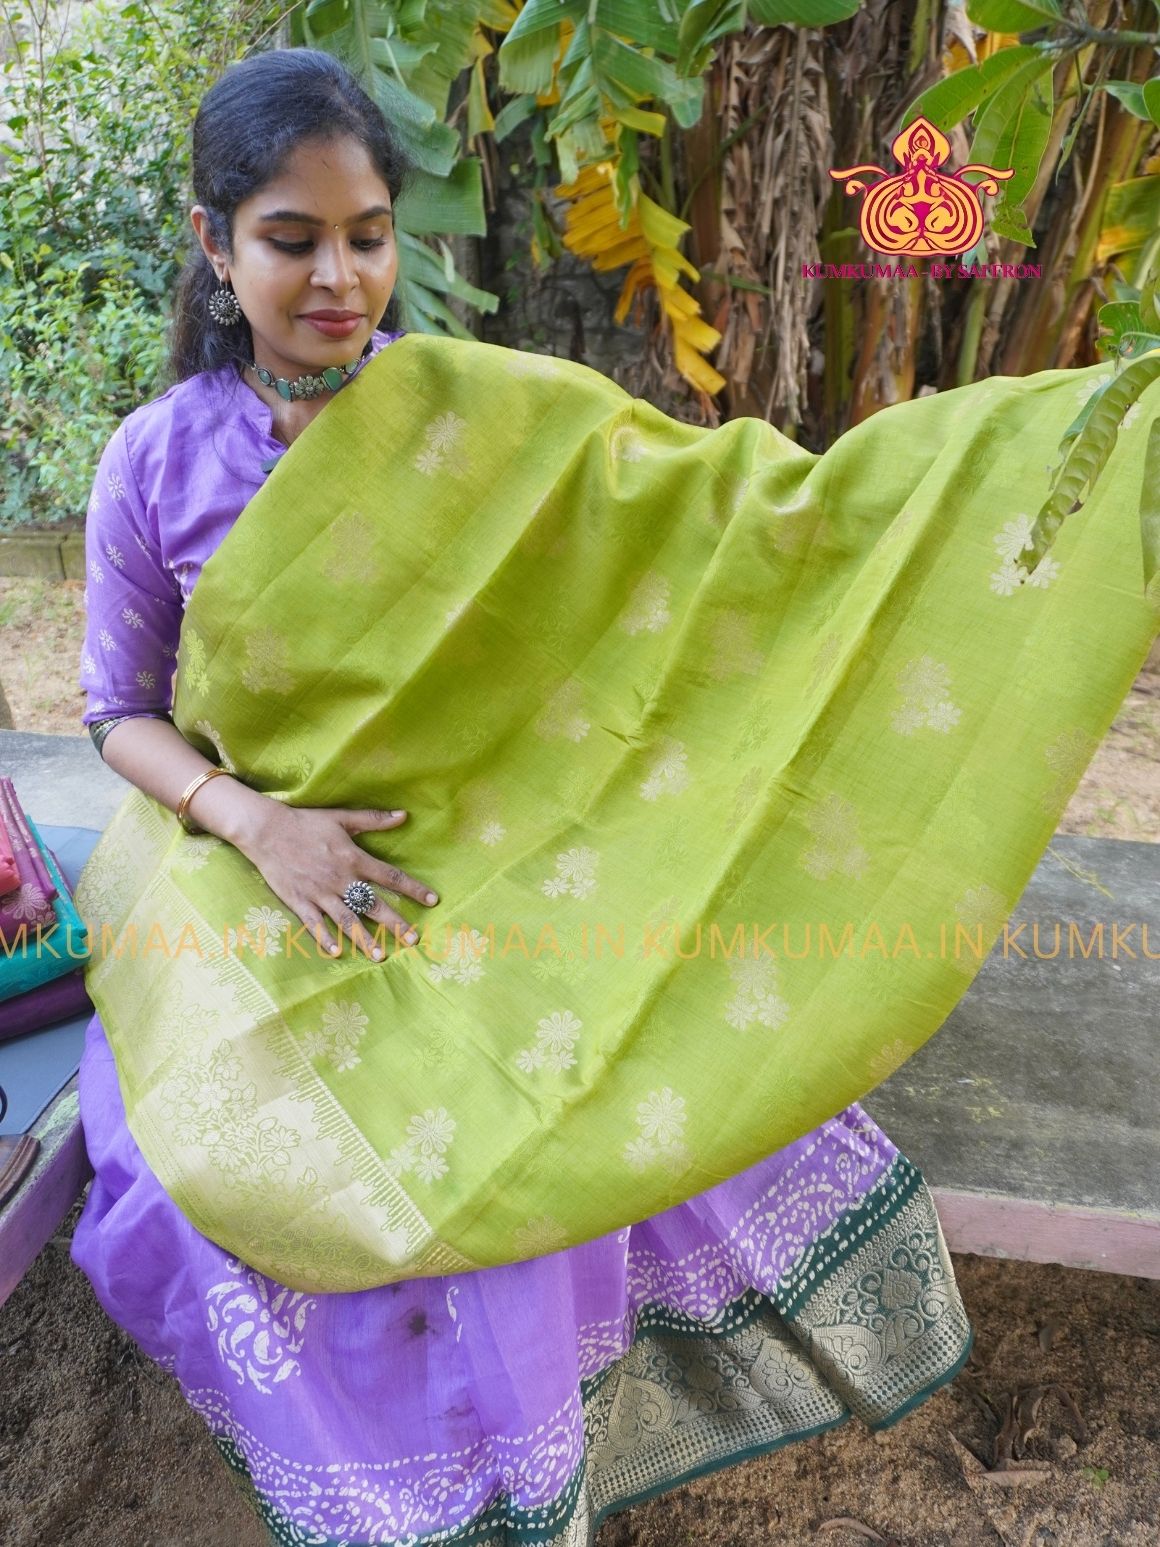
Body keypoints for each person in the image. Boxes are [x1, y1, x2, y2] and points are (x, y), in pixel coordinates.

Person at [78, 43, 1150, 1547]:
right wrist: (254, 822)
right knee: (229, 1161)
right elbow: (116, 715)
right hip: (263, 851)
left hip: (507, 838)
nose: (339, 279)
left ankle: (546, 1454)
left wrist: (1069, 442)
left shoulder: (495, 414)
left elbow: (743, 516)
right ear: (213, 242)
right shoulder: (153, 463)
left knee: (566, 1085)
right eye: (291, 238)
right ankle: (421, 1484)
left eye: (369, 235)